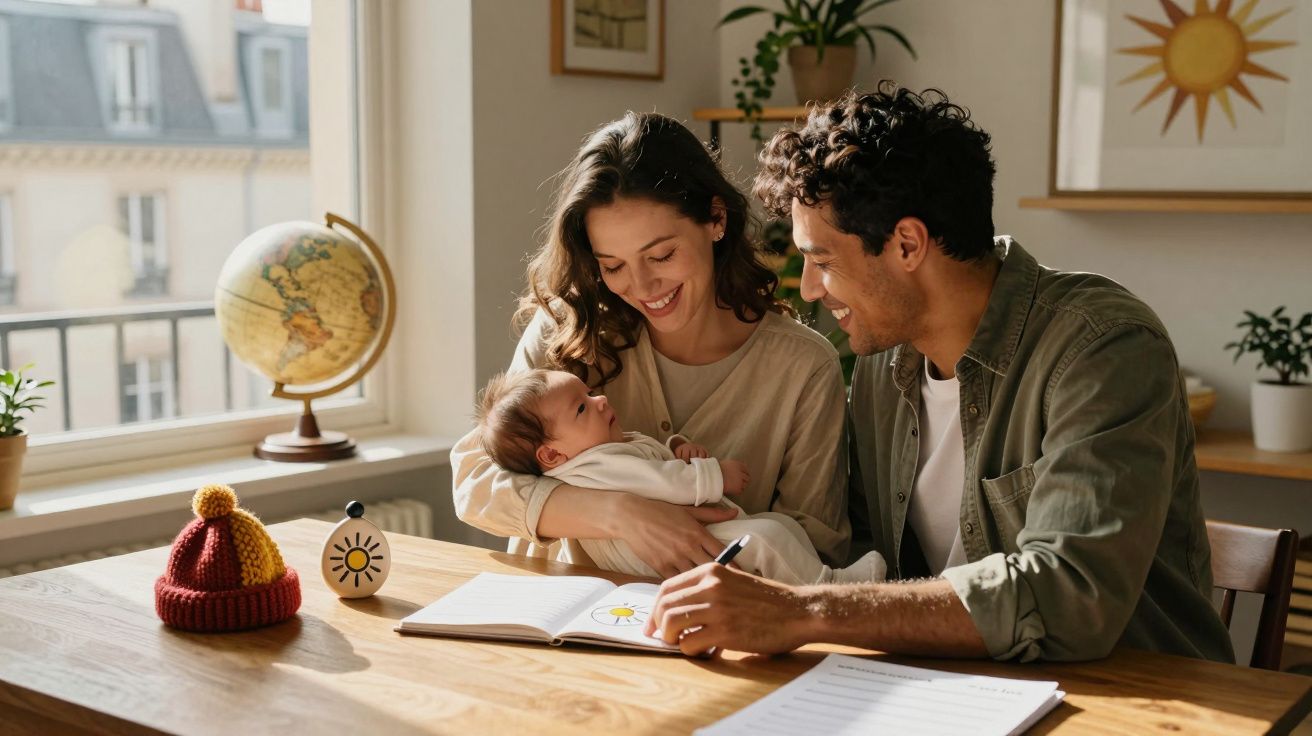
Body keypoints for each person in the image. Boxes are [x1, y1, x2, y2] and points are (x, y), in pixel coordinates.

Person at [646, 85, 1235, 664]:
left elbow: (1069, 595)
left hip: (1142, 706)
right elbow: (865, 553)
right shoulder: (883, 362)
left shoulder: (1103, 348)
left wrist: (801, 611)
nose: (810, 289)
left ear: (907, 244)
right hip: (952, 698)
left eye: (823, 261)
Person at [451, 111, 851, 580]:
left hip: (726, 638)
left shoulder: (803, 368)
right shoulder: (566, 331)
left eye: (661, 255)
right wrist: (621, 513)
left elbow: (816, 548)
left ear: (716, 219)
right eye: (613, 265)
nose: (641, 286)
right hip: (568, 628)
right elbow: (476, 482)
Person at [472, 368, 887, 585]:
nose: (599, 401)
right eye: (582, 407)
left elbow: (648, 458)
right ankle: (828, 587)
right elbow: (661, 483)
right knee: (765, 538)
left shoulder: (597, 451)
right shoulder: (593, 465)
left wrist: (677, 448)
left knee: (776, 526)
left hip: (676, 539)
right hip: (656, 557)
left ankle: (815, 578)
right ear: (551, 453)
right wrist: (713, 476)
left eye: (589, 392)